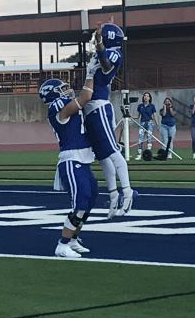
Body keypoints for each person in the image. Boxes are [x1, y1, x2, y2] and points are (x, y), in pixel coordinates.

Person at [40, 76, 97, 258]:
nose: (67, 91)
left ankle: (73, 239)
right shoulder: (57, 109)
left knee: (89, 201)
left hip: (83, 159)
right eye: (62, 89)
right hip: (71, 160)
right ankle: (62, 244)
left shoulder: (66, 107)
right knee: (81, 202)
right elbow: (86, 97)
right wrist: (90, 74)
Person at [83, 22, 134, 218]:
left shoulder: (114, 52)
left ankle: (127, 193)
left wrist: (99, 44)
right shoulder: (102, 50)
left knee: (113, 151)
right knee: (102, 155)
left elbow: (106, 65)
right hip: (90, 106)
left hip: (99, 106)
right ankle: (113, 195)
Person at [135, 92, 157, 159]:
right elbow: (137, 116)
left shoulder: (152, 106)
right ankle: (139, 154)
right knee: (140, 139)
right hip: (142, 123)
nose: (146, 97)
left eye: (147, 96)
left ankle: (148, 154)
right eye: (145, 96)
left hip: (149, 123)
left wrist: (157, 124)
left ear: (149, 98)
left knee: (149, 138)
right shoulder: (140, 106)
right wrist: (129, 117)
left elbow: (154, 116)